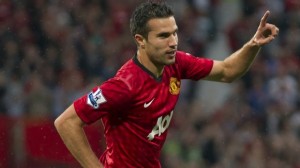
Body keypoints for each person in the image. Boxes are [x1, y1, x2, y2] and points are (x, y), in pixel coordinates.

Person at [54, 1, 279, 168]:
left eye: (174, 33)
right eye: (163, 36)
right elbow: (66, 122)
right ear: (140, 41)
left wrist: (253, 45)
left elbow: (228, 71)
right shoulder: (125, 85)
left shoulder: (177, 63)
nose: (173, 42)